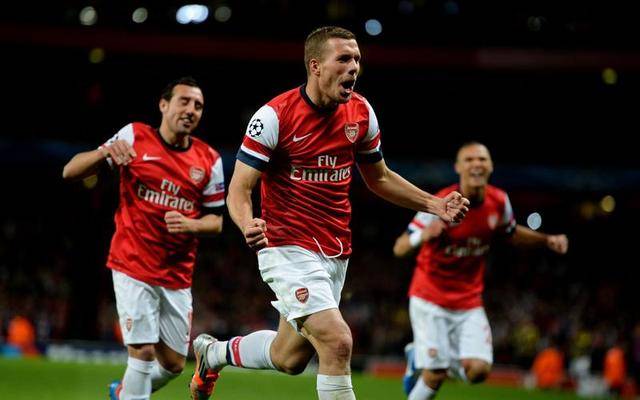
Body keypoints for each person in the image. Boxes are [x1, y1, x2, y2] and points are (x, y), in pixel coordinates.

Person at [189, 26, 470, 400]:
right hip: (285, 245)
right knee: (337, 342)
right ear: (315, 66)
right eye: (344, 59)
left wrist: (434, 204)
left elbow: (379, 178)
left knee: (289, 357)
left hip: (335, 251)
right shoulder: (274, 117)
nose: (354, 67)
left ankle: (213, 353)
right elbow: (240, 188)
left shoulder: (361, 113)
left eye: (357, 59)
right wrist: (246, 222)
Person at [62, 77, 225, 400]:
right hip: (132, 262)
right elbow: (70, 171)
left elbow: (216, 222)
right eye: (184, 101)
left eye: (198, 105)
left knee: (173, 364)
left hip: (176, 275)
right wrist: (104, 153)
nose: (191, 110)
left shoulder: (209, 159)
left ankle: (124, 393)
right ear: (163, 105)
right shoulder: (135, 136)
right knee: (143, 352)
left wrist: (191, 225)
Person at [394, 141, 569, 400]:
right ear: (458, 167)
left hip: (468, 301)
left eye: (482, 159)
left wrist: (546, 240)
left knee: (478, 371)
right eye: (469, 159)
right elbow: (399, 247)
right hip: (430, 298)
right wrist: (424, 235)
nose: (476, 164)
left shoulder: (499, 201)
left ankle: (420, 356)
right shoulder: (441, 203)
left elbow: (510, 232)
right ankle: (425, 361)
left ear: (491, 166)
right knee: (435, 374)